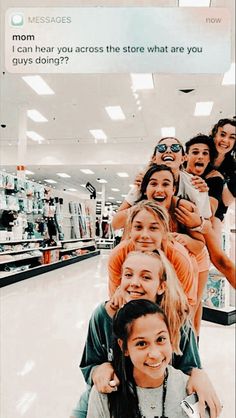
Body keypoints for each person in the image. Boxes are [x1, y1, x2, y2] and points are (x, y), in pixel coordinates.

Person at [71, 251, 221, 418]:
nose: (134, 283)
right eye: (128, 274)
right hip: (109, 398)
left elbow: (190, 367)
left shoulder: (177, 320)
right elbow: (89, 364)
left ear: (161, 286)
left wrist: (198, 374)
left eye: (146, 277)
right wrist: (99, 369)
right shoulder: (104, 315)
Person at [87, 300, 191, 418]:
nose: (155, 354)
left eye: (160, 339)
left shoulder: (188, 389)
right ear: (124, 347)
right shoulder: (106, 393)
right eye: (142, 344)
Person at [109, 199, 198, 308]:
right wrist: (120, 292)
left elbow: (187, 303)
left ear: (164, 232)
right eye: (138, 227)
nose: (145, 235)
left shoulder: (178, 257)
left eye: (153, 228)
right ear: (130, 230)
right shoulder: (119, 254)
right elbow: (113, 298)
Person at [208, 118, 236, 237]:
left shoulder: (232, 167)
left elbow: (227, 200)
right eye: (222, 134)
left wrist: (220, 179)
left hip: (215, 217)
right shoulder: (202, 155)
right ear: (215, 135)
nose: (225, 140)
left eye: (232, 137)